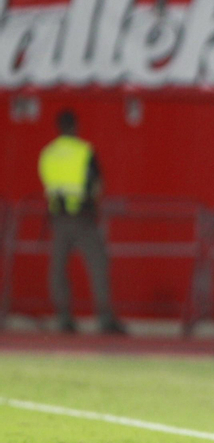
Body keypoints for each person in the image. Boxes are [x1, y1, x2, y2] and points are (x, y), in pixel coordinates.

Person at [38, 111, 123, 334]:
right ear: (75, 126)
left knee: (57, 270)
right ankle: (105, 319)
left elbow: (48, 185)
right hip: (83, 218)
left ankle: (64, 319)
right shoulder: (84, 151)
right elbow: (97, 185)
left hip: (58, 219)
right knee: (98, 266)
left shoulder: (48, 153)